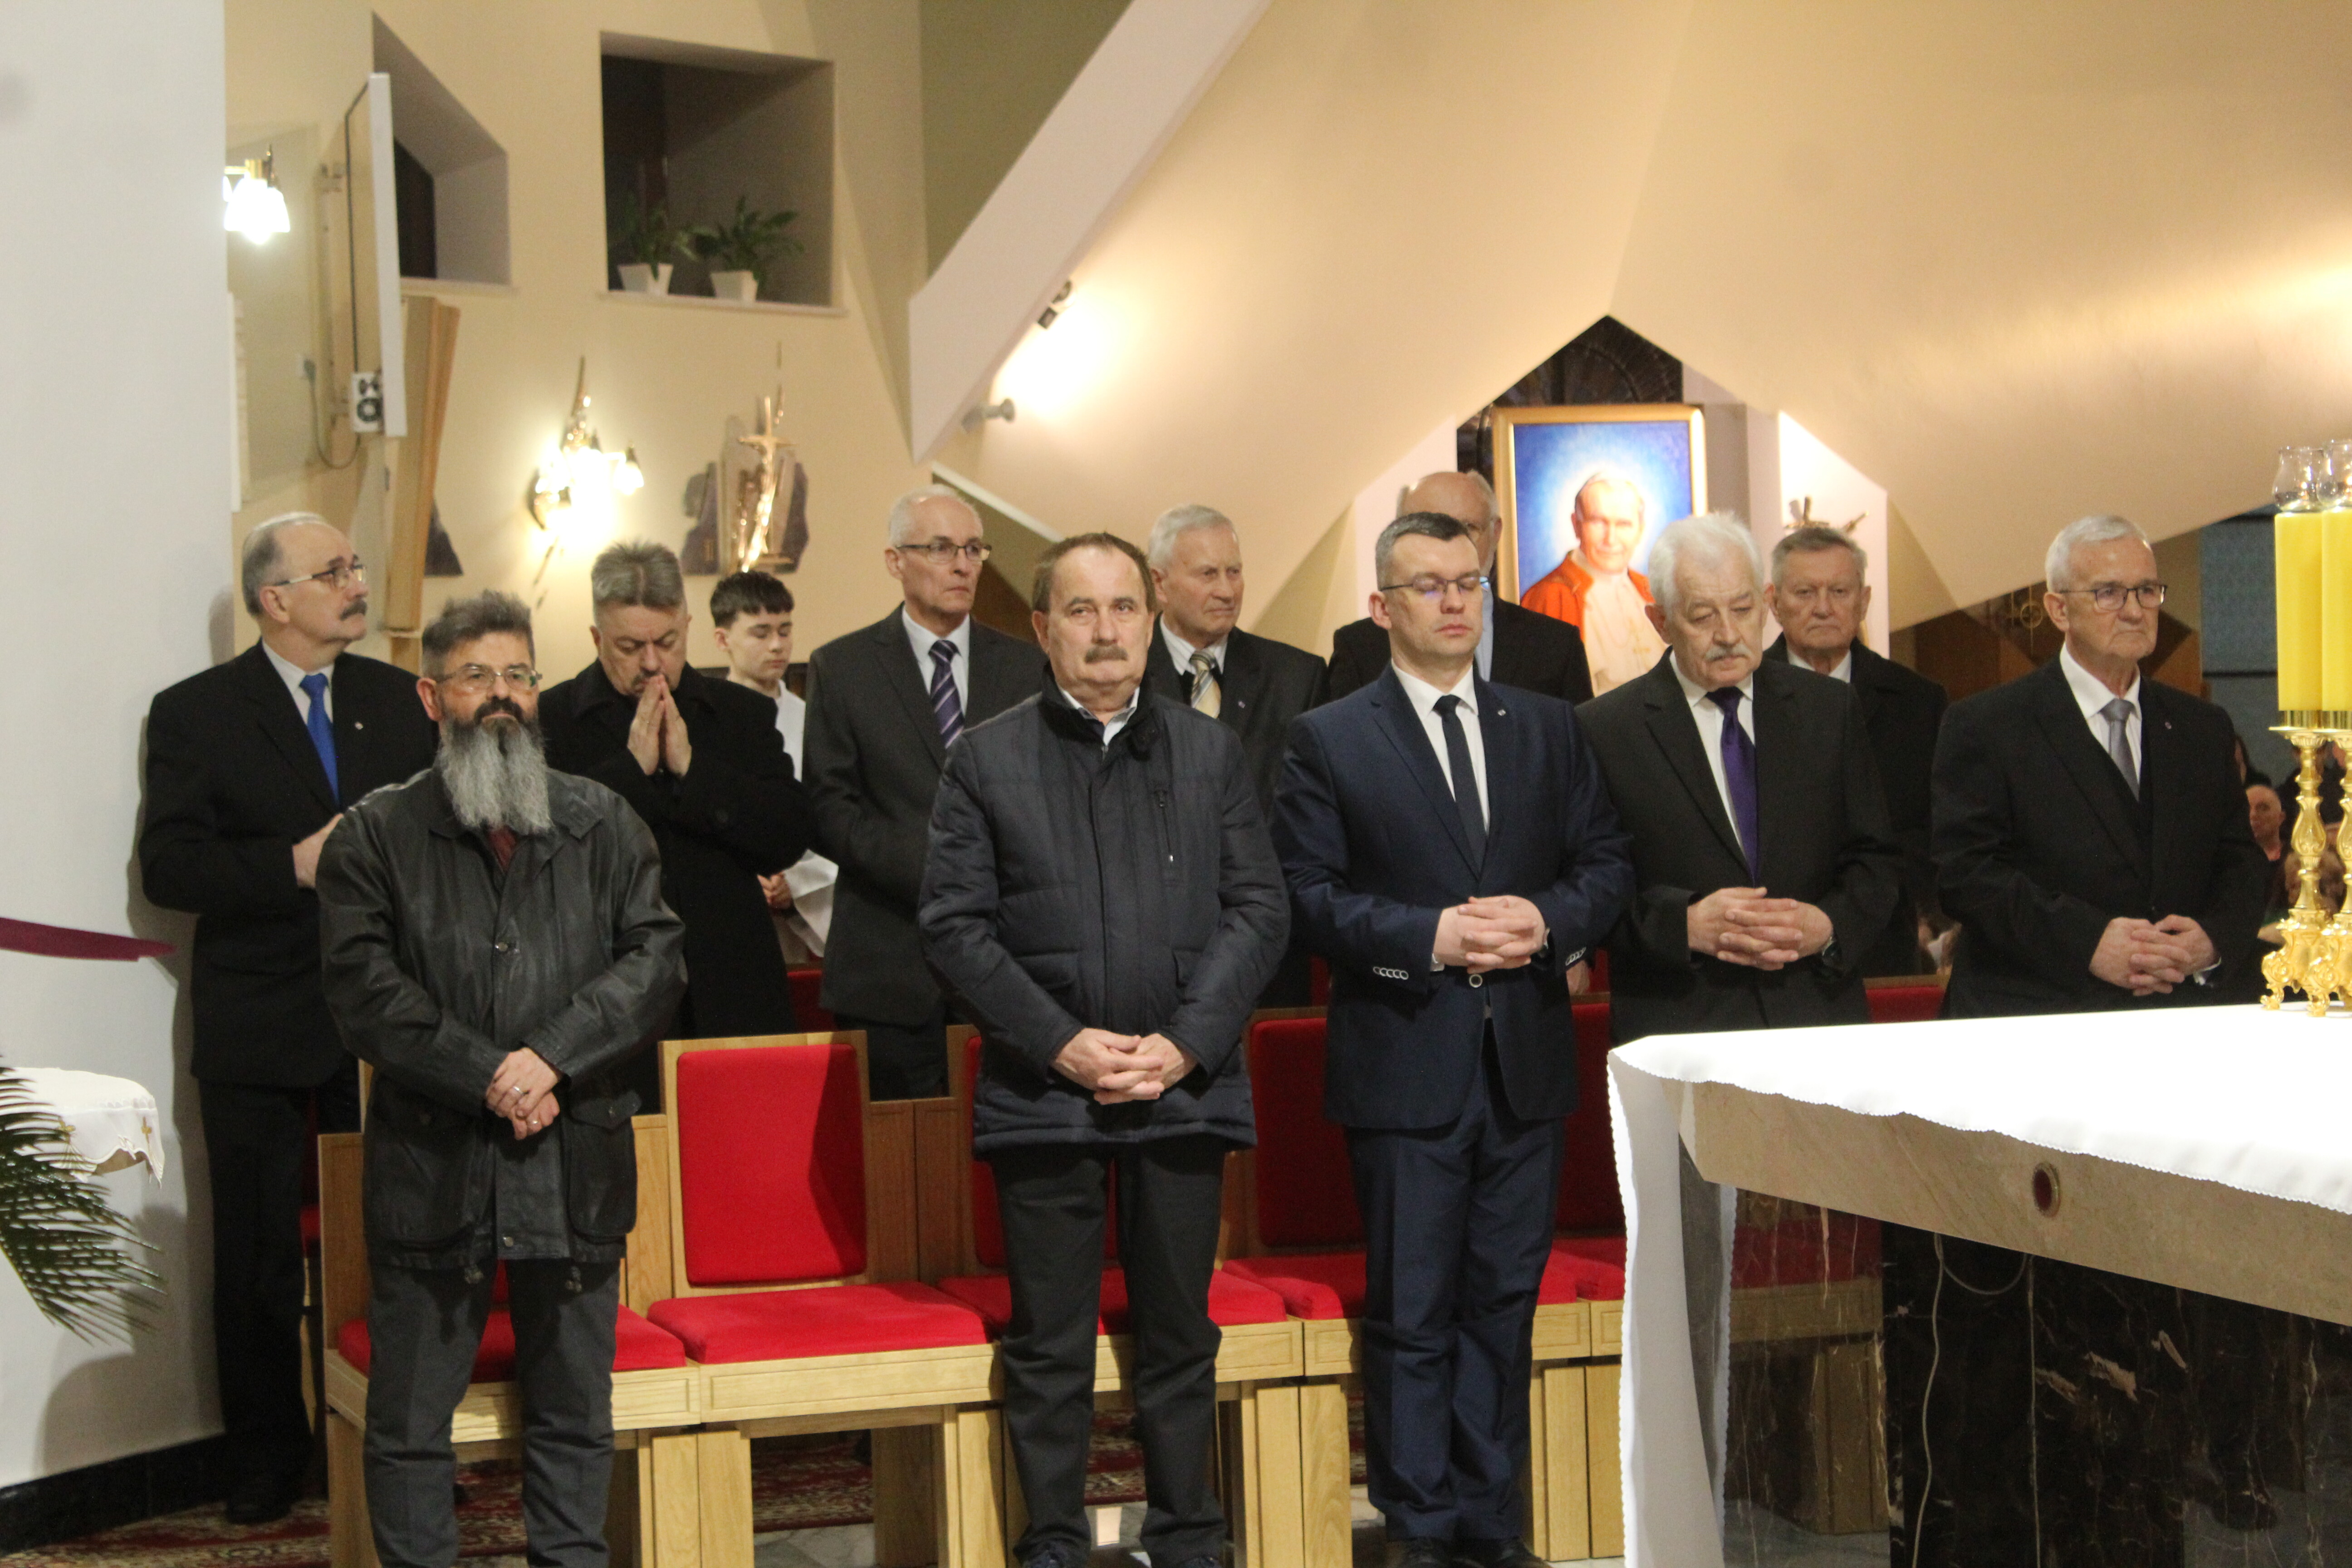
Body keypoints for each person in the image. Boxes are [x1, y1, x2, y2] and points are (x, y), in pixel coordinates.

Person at [1891, 514, 2269, 1565]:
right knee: (2041, 1336)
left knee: (2156, 1318)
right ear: (2057, 607)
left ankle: (2157, 1506)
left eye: (2147, 591)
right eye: (2110, 592)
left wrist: (2211, 937)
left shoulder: (2199, 726)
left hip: (2169, 1057)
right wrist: (2089, 941)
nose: (2136, 609)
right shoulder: (1988, 724)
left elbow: (2241, 866)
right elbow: (1966, 872)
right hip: (2036, 1046)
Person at [922, 533, 1287, 1568]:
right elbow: (953, 927)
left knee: (1180, 1335)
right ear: (1042, 629)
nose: (1105, 630)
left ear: (1149, 619)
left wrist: (1183, 1044)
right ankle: (1052, 1542)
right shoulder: (984, 757)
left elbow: (1259, 909)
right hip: (1045, 1095)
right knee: (1048, 1344)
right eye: (1080, 610)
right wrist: (1062, 1044)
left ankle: (1187, 1536)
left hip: (1182, 1091)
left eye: (1123, 607)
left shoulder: (1208, 750)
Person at [1274, 513, 1632, 1564]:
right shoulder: (1330, 736)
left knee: (1502, 1302)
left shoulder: (1547, 725)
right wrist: (1423, 936)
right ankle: (1420, 1521)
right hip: (1404, 1058)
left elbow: (1606, 864)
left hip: (1524, 1062)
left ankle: (1490, 1516)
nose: (1452, 601)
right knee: (1414, 1305)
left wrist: (1549, 919)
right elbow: (1304, 896)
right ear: (1381, 607)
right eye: (1427, 585)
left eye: (1468, 583)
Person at [317, 590, 684, 1568]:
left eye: (518, 674)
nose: (501, 696)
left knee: (575, 1413)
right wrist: (491, 1075)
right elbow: (364, 994)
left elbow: (656, 962)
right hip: (434, 1167)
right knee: (410, 1424)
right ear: (430, 697)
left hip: (574, 1157)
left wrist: (551, 1056)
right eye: (476, 676)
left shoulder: (603, 821)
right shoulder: (376, 835)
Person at [139, 511, 438, 1523]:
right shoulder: (196, 713)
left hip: (385, 1022)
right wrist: (291, 867)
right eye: (333, 572)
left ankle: (399, 1439)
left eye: (355, 566)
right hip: (259, 1019)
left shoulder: (398, 700)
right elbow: (171, 866)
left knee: (395, 1241)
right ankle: (266, 1458)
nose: (357, 583)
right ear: (274, 600)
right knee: (259, 1256)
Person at [1575, 512, 1903, 1045]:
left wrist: (1827, 926)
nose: (1728, 635)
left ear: (1766, 603)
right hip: (1681, 1029)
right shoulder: (1605, 730)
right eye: (1703, 616)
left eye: (1743, 610)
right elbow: (1589, 888)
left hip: (1815, 1014)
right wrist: (1683, 926)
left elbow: (1877, 860)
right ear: (1660, 621)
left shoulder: (1829, 710)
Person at [539, 541, 811, 1090]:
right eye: (629, 646)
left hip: (732, 983)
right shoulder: (553, 721)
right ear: (596, 638)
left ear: (687, 626)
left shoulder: (741, 714)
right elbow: (545, 855)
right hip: (607, 995)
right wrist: (630, 773)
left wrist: (694, 771)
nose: (651, 663)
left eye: (666, 642)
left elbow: (788, 835)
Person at [804, 485, 1045, 1099]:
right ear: (896, 562)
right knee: (897, 1149)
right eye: (940, 549)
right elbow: (831, 811)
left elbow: (1047, 798)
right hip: (889, 965)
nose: (962, 565)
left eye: (973, 549)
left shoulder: (1026, 668)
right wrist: (942, 873)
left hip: (1008, 963)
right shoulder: (843, 667)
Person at [1141, 503, 1327, 1003]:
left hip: (1266, 952)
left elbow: (1308, 820)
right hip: (1151, 949)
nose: (1227, 590)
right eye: (1208, 574)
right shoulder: (1123, 676)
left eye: (1234, 572)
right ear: (1159, 584)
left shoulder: (1298, 677)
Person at [1761, 524, 1948, 975]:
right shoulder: (1740, 696)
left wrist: (1915, 911)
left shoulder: (1918, 702)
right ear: (1774, 602)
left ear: (1863, 601)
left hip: (1887, 939)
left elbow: (1934, 828)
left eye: (1839, 592)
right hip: (1771, 943)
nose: (1823, 607)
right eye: (1805, 592)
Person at [1328, 470, 1592, 703]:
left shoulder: (1556, 646)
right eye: (1430, 529)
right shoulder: (1359, 648)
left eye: (1468, 527)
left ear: (1496, 532)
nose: (1452, 544)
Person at [710, 569, 838, 963]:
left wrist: (796, 882)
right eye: (761, 633)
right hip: (726, 903)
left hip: (804, 907)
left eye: (785, 631)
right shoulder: (703, 721)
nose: (778, 646)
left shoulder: (816, 720)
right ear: (723, 640)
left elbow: (834, 815)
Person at [1518, 469, 1666, 694]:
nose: (1611, 539)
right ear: (1576, 525)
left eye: (1624, 524)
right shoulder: (1548, 597)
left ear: (1640, 530)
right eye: (1598, 522)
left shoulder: (1651, 591)